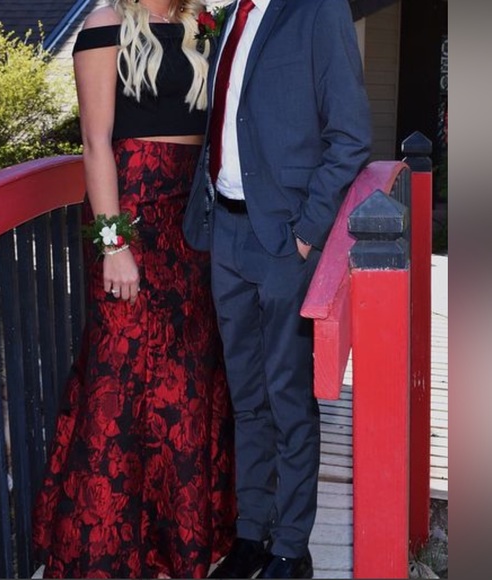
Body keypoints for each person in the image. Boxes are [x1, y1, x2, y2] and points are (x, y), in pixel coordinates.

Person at [32, 1, 237, 578]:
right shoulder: (105, 24)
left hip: (193, 219)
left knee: (188, 375)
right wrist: (112, 242)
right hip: (133, 214)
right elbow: (95, 142)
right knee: (120, 370)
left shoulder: (206, 24)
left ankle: (180, 541)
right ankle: (108, 545)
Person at [183, 0, 372, 578]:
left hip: (284, 241)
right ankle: (251, 535)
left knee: (288, 398)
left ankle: (291, 546)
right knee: (247, 397)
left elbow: (350, 136)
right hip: (226, 231)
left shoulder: (318, 12)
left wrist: (307, 234)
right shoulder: (232, 15)